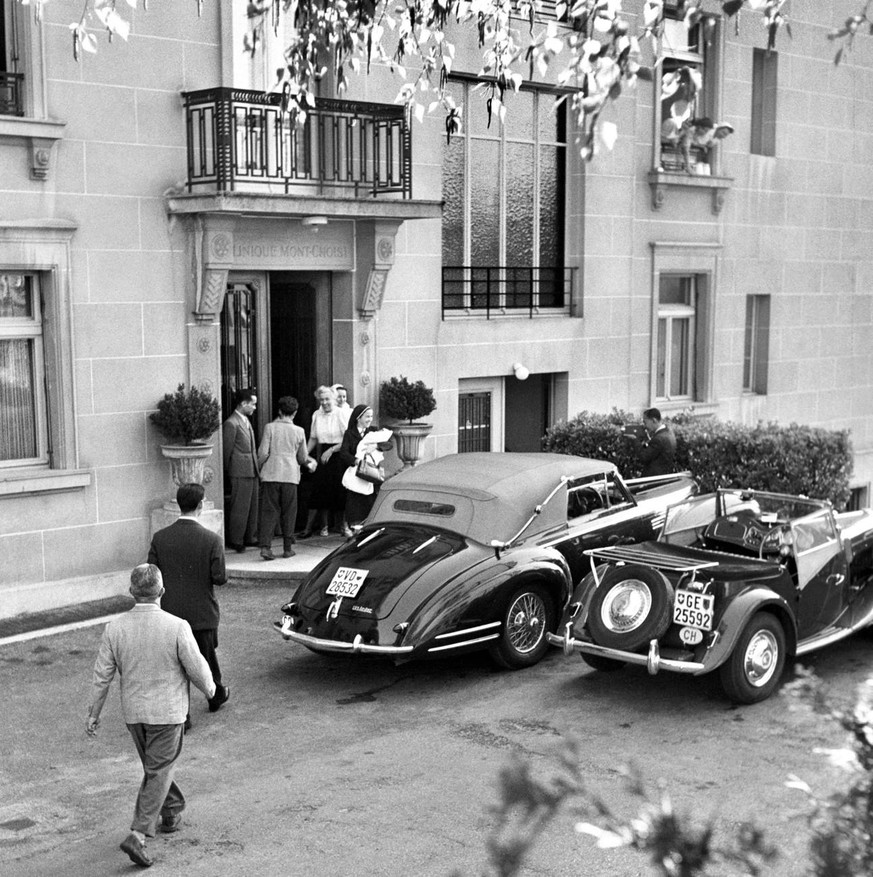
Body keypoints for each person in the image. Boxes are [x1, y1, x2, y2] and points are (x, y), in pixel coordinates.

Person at [86, 564, 216, 869]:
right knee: (158, 769)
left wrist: (94, 713)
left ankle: (171, 810)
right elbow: (196, 667)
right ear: (162, 591)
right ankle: (138, 834)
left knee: (156, 766)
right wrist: (210, 690)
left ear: (132, 592)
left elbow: (101, 676)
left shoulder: (115, 628)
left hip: (135, 714)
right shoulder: (177, 626)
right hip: (168, 713)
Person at [147, 482, 230, 725]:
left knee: (176, 666)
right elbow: (220, 578)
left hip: (170, 613)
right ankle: (215, 694)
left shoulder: (160, 538)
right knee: (206, 657)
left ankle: (183, 715)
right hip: (202, 612)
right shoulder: (212, 539)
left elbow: (152, 574)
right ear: (201, 505)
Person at [257, 396, 315, 560]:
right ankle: (287, 548)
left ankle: (266, 547)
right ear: (295, 413)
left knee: (269, 511)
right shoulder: (299, 431)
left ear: (279, 411)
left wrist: (260, 467)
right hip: (290, 476)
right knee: (289, 512)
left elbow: (263, 453)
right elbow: (303, 457)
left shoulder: (270, 428)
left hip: (271, 474)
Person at [300, 385, 350, 538]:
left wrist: (332, 450)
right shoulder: (317, 415)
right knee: (318, 492)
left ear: (333, 399)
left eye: (327, 399)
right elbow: (313, 438)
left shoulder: (341, 413)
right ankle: (310, 528)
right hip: (323, 457)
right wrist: (303, 454)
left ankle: (344, 526)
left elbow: (348, 439)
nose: (324, 402)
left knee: (340, 491)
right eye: (321, 400)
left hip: (339, 455)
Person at [337, 404, 393, 528]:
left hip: (372, 473)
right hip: (357, 472)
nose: (369, 419)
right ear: (358, 417)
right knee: (356, 503)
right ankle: (354, 527)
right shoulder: (350, 434)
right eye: (367, 416)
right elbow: (344, 453)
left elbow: (389, 444)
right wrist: (356, 461)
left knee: (371, 501)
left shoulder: (373, 431)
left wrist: (376, 446)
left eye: (371, 416)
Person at [222, 388, 259, 552]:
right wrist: (230, 471)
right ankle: (236, 539)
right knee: (240, 507)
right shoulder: (231, 423)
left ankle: (250, 537)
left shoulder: (244, 420)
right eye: (253, 404)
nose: (254, 407)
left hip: (251, 469)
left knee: (252, 506)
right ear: (243, 403)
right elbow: (227, 451)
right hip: (239, 471)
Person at [637, 407, 677, 477]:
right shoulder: (668, 432)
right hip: (664, 475)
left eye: (645, 422)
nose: (644, 425)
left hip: (654, 478)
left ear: (654, 420)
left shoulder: (658, 439)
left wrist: (635, 440)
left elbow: (644, 457)